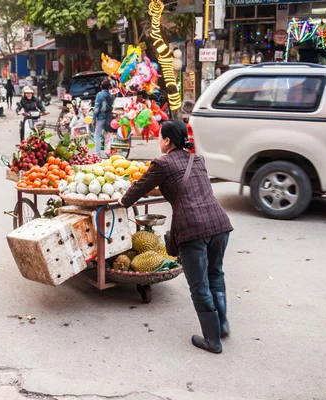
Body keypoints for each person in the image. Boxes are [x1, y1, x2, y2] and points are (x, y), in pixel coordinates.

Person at [119, 121, 233, 354]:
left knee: (199, 285)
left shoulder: (162, 163)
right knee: (215, 274)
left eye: (159, 137)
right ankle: (221, 326)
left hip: (193, 229)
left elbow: (139, 187)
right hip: (219, 224)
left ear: (167, 141)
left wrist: (123, 201)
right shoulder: (197, 160)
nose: (158, 141)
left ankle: (212, 341)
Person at [92, 80, 114, 157]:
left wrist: (93, 119)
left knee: (97, 136)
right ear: (109, 87)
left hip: (100, 118)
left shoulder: (99, 95)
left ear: (101, 86)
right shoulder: (111, 96)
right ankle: (109, 153)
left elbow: (96, 109)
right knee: (108, 136)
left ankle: (98, 154)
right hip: (109, 119)